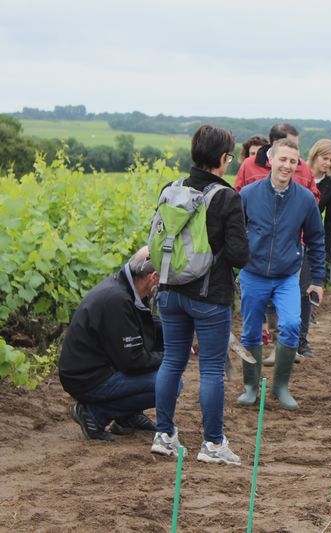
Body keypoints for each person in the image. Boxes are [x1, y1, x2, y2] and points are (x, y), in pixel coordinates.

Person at [152, 124, 249, 465]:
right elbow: (239, 255)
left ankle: (164, 434)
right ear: (223, 159)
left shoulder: (171, 189)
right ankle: (213, 444)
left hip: (170, 291)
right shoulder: (227, 197)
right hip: (210, 297)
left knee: (172, 362)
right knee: (210, 370)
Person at [237, 139, 326, 410]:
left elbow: (316, 239)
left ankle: (280, 386)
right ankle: (251, 387)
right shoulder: (248, 194)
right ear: (271, 160)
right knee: (251, 331)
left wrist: (318, 280)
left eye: (293, 161)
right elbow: (234, 234)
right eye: (282, 159)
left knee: (290, 326)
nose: (287, 165)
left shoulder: (305, 199)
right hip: (253, 273)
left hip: (288, 275)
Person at [60, 247, 163, 441]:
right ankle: (95, 414)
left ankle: (127, 416)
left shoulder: (125, 288)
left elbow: (146, 324)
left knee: (164, 372)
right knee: (169, 383)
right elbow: (132, 361)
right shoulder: (117, 300)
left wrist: (176, 333)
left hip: (94, 368)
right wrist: (170, 358)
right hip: (87, 378)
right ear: (153, 277)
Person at [308, 139, 331, 268]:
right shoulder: (299, 174)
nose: (328, 163)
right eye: (325, 158)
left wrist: (328, 252)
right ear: (315, 155)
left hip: (313, 237)